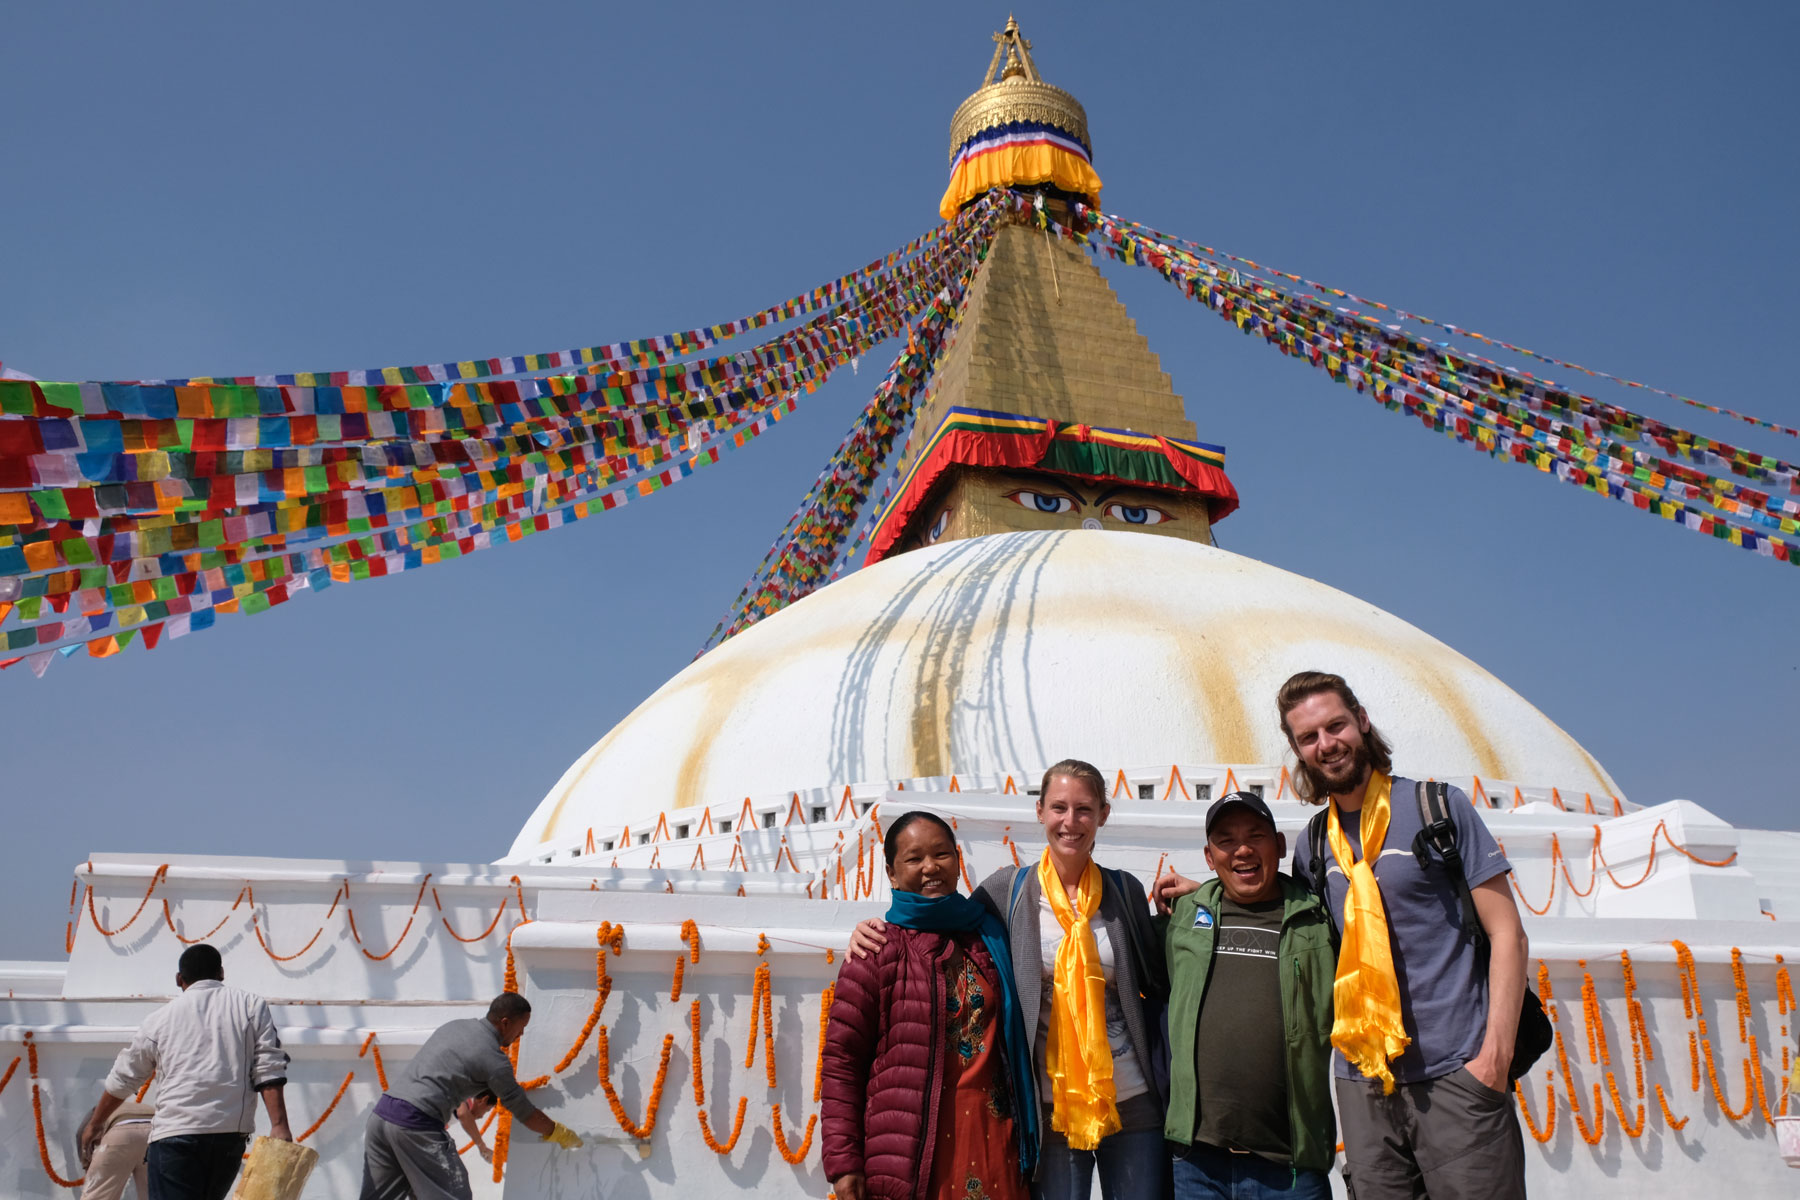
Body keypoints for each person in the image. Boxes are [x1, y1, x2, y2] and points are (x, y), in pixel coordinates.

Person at [851, 760, 1169, 1200]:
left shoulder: (1124, 891)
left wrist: (1198, 900)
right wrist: (873, 928)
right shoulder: (1008, 892)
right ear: (1040, 812)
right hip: (1049, 1102)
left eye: (1083, 808)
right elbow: (945, 919)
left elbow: (1160, 969)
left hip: (1131, 1097)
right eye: (1059, 807)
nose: (1070, 822)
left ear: (1103, 814)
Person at [1278, 671, 1529, 1200]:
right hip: (1363, 1083)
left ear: (1362, 722)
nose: (1326, 745)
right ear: (1298, 751)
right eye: (1308, 737)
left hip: (1455, 1073)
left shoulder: (1437, 809)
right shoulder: (1314, 846)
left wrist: (1493, 1060)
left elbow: (1508, 933)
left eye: (1335, 726)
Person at [821, 810, 1038, 1200]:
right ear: (891, 873)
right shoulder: (876, 952)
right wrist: (844, 1162)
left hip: (998, 1144)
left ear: (958, 860)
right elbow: (842, 1064)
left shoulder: (988, 936)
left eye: (941, 854)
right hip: (916, 1152)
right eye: (914, 858)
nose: (930, 867)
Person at [1151, 791, 1337, 1199]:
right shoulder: (1184, 917)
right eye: (1226, 840)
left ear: (1281, 845)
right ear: (1208, 854)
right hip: (1197, 1163)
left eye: (1256, 835)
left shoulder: (1320, 924)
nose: (1243, 850)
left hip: (1289, 1168)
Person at [79, 943, 291, 1200]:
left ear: (179, 979)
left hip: (175, 1137)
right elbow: (267, 1067)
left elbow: (124, 1078)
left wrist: (95, 1123)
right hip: (228, 1139)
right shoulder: (250, 1007)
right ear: (221, 973)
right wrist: (279, 1126)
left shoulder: (159, 1020)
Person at [358, 991, 582, 1200]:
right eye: (521, 1027)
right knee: (456, 1193)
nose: (521, 1034)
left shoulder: (455, 1026)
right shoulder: (494, 1059)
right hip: (416, 1123)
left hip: (381, 1117)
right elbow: (524, 1111)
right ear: (505, 1023)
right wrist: (557, 1132)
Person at [77, 1096, 153, 1200]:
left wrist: (86, 1163)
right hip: (154, 1133)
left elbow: (82, 1134)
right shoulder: (143, 1106)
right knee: (153, 1194)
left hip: (121, 1133)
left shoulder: (98, 1111)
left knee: (98, 1194)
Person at [452, 1091, 496, 1164]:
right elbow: (463, 1114)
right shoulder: (461, 1096)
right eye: (487, 1110)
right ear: (484, 1100)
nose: (482, 1116)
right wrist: (482, 1147)